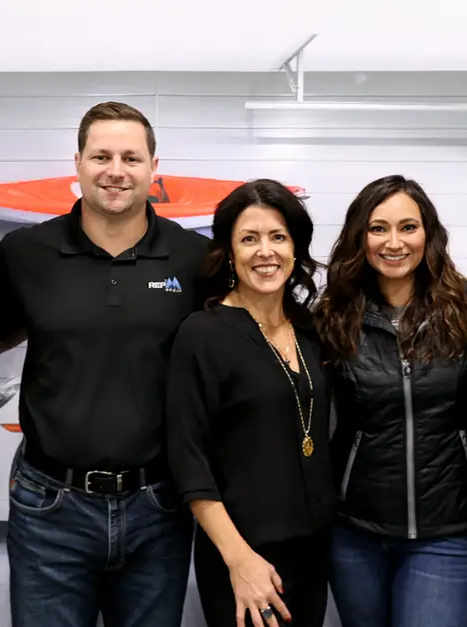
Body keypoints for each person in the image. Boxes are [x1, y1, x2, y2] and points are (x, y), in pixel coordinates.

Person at [0, 101, 209, 627]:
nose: (116, 170)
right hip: (50, 507)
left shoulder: (195, 259)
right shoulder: (25, 253)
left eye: (131, 158)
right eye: (101, 156)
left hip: (159, 507)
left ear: (154, 168)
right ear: (78, 164)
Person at [165, 179, 337, 627]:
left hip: (313, 551)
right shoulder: (203, 333)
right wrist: (239, 561)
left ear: (295, 248)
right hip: (244, 555)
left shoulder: (309, 330)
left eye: (278, 237)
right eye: (249, 238)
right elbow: (189, 460)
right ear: (229, 251)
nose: (266, 251)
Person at [315, 175, 467, 627]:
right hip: (354, 532)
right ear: (359, 237)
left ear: (429, 234)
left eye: (408, 227)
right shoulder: (332, 318)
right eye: (378, 228)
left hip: (448, 531)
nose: (394, 242)